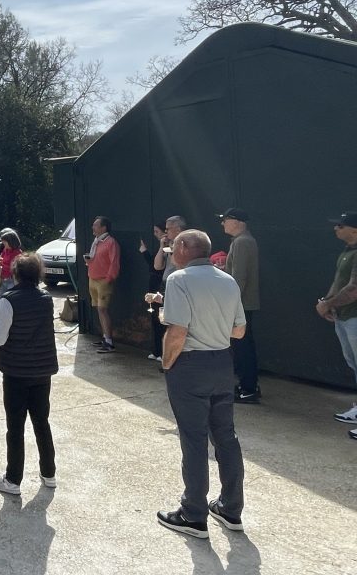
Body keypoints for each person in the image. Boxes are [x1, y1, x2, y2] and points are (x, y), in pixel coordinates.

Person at [157, 229, 247, 538]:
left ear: (183, 247)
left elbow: (178, 331)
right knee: (226, 437)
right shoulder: (228, 280)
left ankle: (193, 515)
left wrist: (167, 364)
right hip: (222, 362)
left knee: (193, 440)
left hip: (190, 365)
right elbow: (239, 331)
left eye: (173, 247)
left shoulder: (178, 280)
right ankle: (230, 509)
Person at [0, 252, 58, 495]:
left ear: (15, 273)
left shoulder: (8, 299)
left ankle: (13, 479)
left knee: (15, 427)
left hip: (16, 371)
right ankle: (49, 473)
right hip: (41, 370)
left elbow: (0, 337)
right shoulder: (46, 298)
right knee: (41, 422)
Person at [316, 211, 357, 440]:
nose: (336, 229)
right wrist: (327, 303)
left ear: (354, 230)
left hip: (355, 318)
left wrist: (328, 304)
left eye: (341, 226)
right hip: (344, 317)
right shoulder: (347, 252)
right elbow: (339, 282)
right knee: (353, 364)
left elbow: (354, 288)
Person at [219, 208, 261, 403]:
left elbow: (239, 278)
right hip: (241, 303)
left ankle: (249, 388)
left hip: (241, 304)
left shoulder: (243, 242)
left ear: (237, 222)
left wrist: (230, 304)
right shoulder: (242, 241)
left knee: (243, 346)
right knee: (242, 345)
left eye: (225, 220)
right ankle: (247, 385)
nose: (222, 223)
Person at [84, 216, 120, 353]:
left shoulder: (111, 242)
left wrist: (109, 278)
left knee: (102, 310)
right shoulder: (96, 242)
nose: (92, 227)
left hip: (103, 280)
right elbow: (98, 259)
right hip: (92, 278)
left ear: (103, 228)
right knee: (99, 310)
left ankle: (109, 343)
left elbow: (114, 262)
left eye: (95, 225)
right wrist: (89, 261)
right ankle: (105, 337)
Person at [139, 224, 166, 364]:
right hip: (154, 283)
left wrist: (145, 252)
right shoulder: (161, 248)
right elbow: (154, 265)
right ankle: (157, 351)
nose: (156, 234)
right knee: (155, 319)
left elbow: (157, 267)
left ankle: (162, 351)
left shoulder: (167, 248)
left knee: (162, 320)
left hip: (161, 286)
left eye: (157, 231)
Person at [0, 229, 23, 307]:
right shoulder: (6, 250)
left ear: (11, 242)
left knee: (12, 304)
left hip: (12, 281)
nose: (4, 245)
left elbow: (14, 269)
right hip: (3, 281)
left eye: (5, 243)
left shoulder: (18, 253)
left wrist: (3, 264)